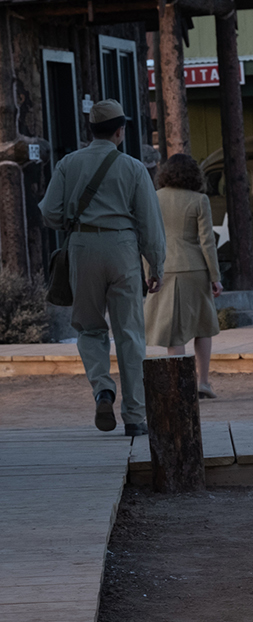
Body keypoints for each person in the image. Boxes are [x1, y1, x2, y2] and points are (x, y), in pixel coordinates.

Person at [39, 100, 165, 436]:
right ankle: (135, 417)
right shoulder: (134, 167)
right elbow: (150, 224)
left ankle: (103, 390)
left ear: (90, 130)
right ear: (120, 131)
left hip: (83, 246)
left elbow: (49, 214)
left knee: (89, 329)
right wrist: (156, 265)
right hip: (123, 248)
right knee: (130, 335)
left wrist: (74, 219)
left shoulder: (68, 164)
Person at [144, 154, 223, 398]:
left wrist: (150, 272)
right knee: (203, 326)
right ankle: (204, 382)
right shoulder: (199, 200)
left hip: (165, 267)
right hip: (195, 268)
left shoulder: (154, 199)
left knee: (174, 330)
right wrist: (215, 277)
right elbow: (207, 242)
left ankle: (178, 384)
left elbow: (147, 238)